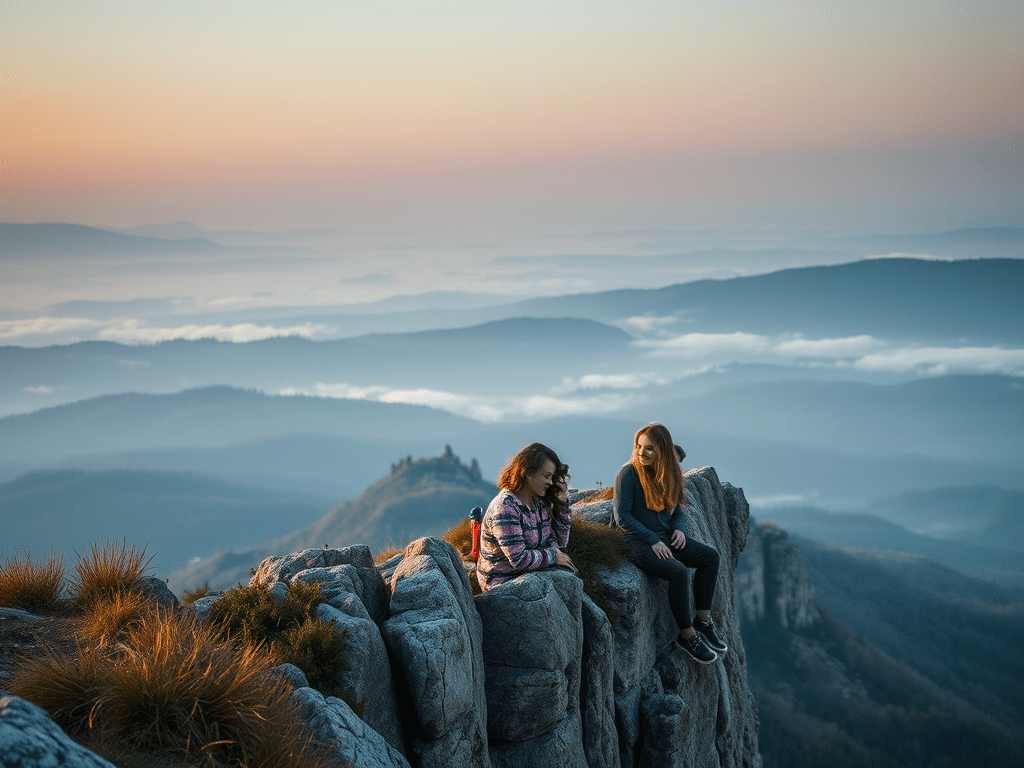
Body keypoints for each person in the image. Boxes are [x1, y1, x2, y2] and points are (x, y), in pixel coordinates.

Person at [613, 424, 726, 664]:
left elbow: (678, 510)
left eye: (650, 448)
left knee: (710, 557)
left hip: (666, 535)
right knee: (677, 571)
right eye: (639, 446)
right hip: (634, 540)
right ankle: (687, 636)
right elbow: (623, 518)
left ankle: (703, 622)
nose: (642, 453)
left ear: (662, 450)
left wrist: (679, 529)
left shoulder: (668, 473)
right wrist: (652, 539)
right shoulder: (629, 474)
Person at [477, 443, 575, 591]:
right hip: (502, 582)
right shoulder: (505, 507)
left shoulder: (539, 503)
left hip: (530, 573)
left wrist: (561, 504)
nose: (550, 482)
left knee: (569, 578)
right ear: (527, 472)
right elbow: (519, 559)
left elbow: (559, 545)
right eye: (546, 476)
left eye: (552, 477)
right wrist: (554, 556)